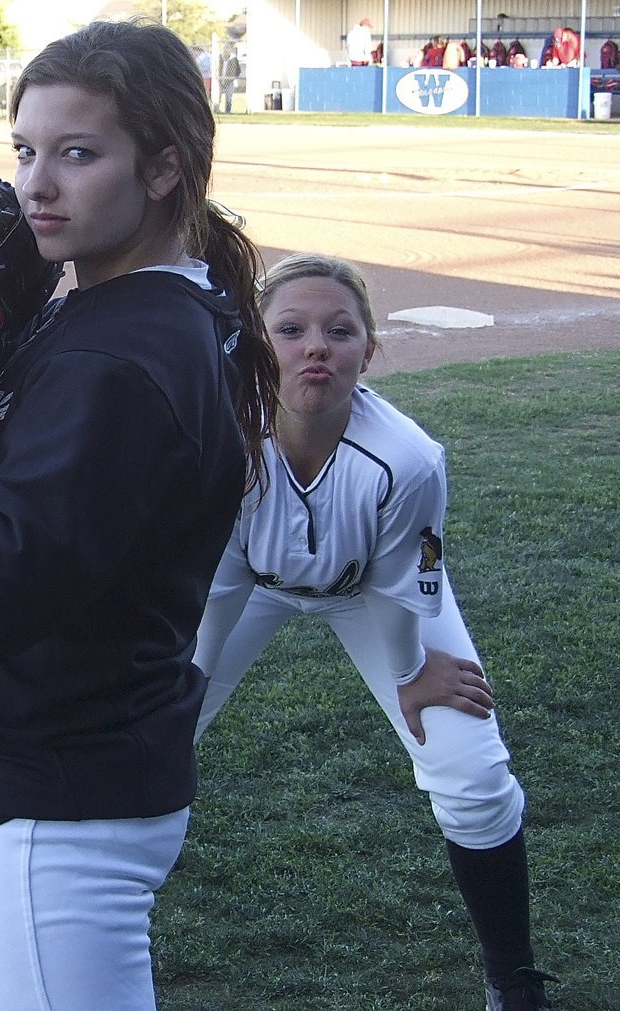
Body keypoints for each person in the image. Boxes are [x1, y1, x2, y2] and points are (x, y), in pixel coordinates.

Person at [0, 18, 279, 1011]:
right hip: (60, 769)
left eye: (78, 153)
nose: (35, 185)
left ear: (163, 171)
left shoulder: (118, 354)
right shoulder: (118, 315)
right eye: (25, 151)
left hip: (62, 797)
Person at [192, 252, 559, 1011]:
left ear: (370, 349)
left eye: (340, 330)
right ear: (259, 346)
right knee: (144, 734)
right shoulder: (222, 430)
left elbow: (403, 584)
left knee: (475, 774)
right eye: (290, 329)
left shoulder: (410, 458)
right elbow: (221, 576)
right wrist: (187, 675)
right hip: (249, 584)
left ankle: (512, 977)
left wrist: (411, 671)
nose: (315, 346)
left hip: (373, 594)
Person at [218, 43, 241, 114]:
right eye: (224, 48)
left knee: (229, 97)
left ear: (230, 50)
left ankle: (228, 111)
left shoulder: (233, 59)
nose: (226, 50)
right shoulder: (220, 58)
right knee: (218, 96)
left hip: (230, 81)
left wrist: (233, 78)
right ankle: (217, 109)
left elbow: (238, 70)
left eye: (227, 48)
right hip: (220, 80)